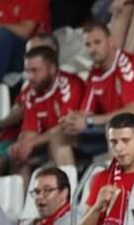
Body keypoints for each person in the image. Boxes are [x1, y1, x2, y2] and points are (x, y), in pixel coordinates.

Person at [50, 23, 134, 168]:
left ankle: (116, 184)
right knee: (59, 137)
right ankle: (67, 188)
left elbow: (132, 111)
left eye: (97, 42)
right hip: (108, 127)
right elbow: (86, 112)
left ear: (111, 41)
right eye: (88, 45)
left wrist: (89, 121)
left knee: (113, 129)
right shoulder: (95, 73)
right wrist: (73, 119)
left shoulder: (126, 64)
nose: (92, 49)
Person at [7, 46, 86, 175]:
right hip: (47, 142)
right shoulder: (30, 93)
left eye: (35, 71)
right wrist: (21, 145)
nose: (30, 77)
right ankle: (25, 195)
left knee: (57, 141)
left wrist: (31, 143)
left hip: (80, 138)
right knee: (17, 156)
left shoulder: (69, 84)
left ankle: (67, 192)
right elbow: (30, 129)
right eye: (27, 71)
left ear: (52, 69)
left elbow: (66, 126)